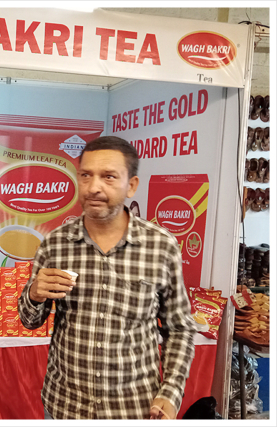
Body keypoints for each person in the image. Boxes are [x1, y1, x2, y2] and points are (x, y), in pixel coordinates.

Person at [18, 136, 196, 420]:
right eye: (86, 175)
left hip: (133, 408)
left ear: (131, 185)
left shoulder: (161, 246)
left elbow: (180, 328)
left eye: (108, 177)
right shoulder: (55, 244)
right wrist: (34, 295)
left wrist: (171, 391)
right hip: (65, 405)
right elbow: (30, 321)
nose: (93, 187)